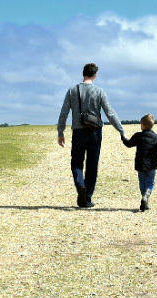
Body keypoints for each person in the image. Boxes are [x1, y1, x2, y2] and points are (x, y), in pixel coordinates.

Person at [57, 63, 125, 208]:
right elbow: (110, 113)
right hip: (95, 132)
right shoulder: (100, 91)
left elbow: (64, 113)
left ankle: (80, 186)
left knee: (76, 162)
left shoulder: (72, 90)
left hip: (78, 131)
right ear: (95, 75)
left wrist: (60, 132)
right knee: (92, 165)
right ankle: (87, 198)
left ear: (83, 74)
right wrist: (121, 130)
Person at [121, 114, 157, 211]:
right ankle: (146, 197)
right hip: (152, 165)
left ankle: (144, 198)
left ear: (142, 125)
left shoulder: (138, 136)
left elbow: (129, 144)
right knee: (150, 183)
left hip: (140, 164)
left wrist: (123, 136)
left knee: (142, 183)